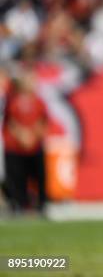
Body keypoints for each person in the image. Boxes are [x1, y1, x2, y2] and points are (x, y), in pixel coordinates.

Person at [1, 70, 49, 215]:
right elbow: (10, 121)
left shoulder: (39, 101)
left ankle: (41, 204)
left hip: (34, 146)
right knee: (16, 177)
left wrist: (33, 135)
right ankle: (19, 204)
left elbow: (43, 120)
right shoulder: (12, 100)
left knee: (39, 176)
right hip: (15, 146)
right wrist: (22, 135)